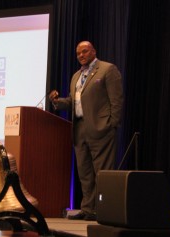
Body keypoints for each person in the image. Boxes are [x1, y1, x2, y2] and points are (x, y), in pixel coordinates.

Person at [49, 41, 124, 221]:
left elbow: (117, 100)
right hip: (79, 128)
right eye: (78, 53)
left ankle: (103, 210)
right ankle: (88, 209)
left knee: (102, 173)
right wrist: (58, 102)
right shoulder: (76, 76)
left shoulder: (107, 69)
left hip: (101, 128)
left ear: (93, 51)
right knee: (85, 173)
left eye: (84, 52)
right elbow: (74, 102)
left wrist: (111, 124)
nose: (81, 55)